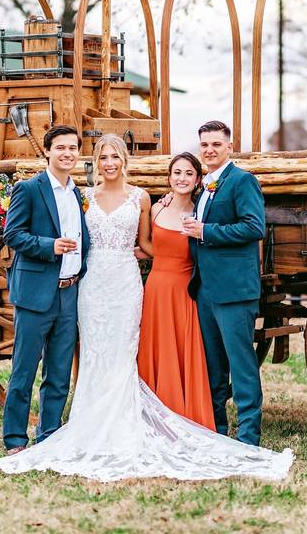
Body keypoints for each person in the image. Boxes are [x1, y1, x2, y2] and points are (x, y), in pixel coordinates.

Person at [0, 134, 292, 482]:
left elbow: (149, 243)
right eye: (103, 157)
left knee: (120, 356)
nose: (109, 162)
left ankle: (122, 422)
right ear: (95, 161)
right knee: (87, 357)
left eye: (115, 156)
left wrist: (162, 259)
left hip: (126, 284)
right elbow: (81, 239)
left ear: (124, 160)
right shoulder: (82, 196)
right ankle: (56, 431)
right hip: (91, 286)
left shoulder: (143, 198)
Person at [0, 124, 90, 455]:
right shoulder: (29, 189)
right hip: (37, 291)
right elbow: (13, 234)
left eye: (73, 148)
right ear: (48, 152)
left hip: (69, 292)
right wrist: (49, 245)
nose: (67, 153)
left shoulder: (76, 193)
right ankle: (14, 439)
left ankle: (49, 435)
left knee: (59, 371)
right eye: (61, 148)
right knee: (24, 369)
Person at [181, 120, 267, 447]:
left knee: (241, 366)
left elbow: (253, 227)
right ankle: (218, 432)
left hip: (234, 291)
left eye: (216, 144)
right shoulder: (205, 187)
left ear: (229, 146)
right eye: (204, 145)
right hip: (205, 290)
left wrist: (207, 232)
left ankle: (247, 438)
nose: (210, 150)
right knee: (213, 369)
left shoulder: (242, 181)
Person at [137, 152, 216, 430]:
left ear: (197, 180)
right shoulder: (158, 209)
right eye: (177, 173)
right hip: (157, 288)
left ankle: (182, 412)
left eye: (188, 174)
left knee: (181, 350)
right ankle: (151, 412)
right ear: (169, 178)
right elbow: (147, 244)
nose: (182, 178)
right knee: (154, 348)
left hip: (184, 291)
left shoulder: (200, 212)